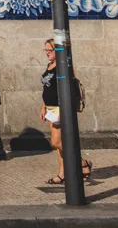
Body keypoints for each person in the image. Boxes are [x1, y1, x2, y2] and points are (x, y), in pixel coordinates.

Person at [40, 39, 91, 186]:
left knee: (57, 141)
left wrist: (64, 109)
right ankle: (63, 174)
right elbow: (47, 88)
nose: (47, 53)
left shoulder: (63, 68)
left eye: (50, 50)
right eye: (46, 50)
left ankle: (82, 163)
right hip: (50, 108)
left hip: (59, 108)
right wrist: (43, 107)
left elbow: (67, 90)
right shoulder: (50, 66)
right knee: (58, 144)